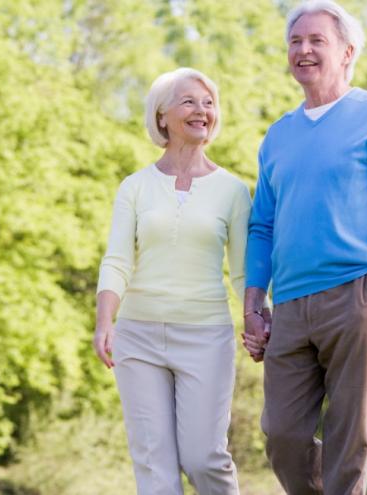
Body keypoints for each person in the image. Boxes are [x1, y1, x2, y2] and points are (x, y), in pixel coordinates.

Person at [242, 1, 367, 494]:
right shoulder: (278, 136)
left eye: (316, 41)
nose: (303, 50)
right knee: (282, 435)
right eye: (295, 41)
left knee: (349, 437)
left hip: (355, 293)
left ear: (347, 52)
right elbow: (261, 225)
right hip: (290, 305)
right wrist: (252, 306)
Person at [93, 67, 251, 495]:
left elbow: (242, 272)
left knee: (204, 459)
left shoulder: (234, 191)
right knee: (154, 466)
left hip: (206, 336)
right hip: (138, 336)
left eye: (209, 102)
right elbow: (118, 259)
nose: (202, 110)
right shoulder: (135, 187)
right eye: (189, 101)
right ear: (161, 116)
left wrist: (259, 318)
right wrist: (105, 321)